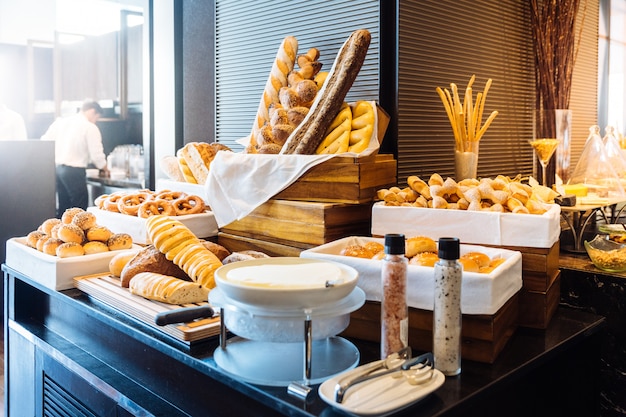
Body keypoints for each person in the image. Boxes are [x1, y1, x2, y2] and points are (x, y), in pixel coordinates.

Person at [42, 101, 109, 216]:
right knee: (79, 209)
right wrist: (105, 168)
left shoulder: (61, 122)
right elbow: (96, 155)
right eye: (96, 118)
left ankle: (60, 232)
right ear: (92, 111)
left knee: (64, 207)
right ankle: (78, 233)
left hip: (58, 169)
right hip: (74, 171)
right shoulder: (89, 127)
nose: (95, 121)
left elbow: (44, 140)